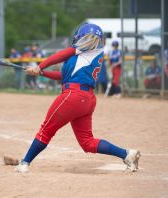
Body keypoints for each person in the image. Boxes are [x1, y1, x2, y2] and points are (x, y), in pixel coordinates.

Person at [15, 23, 140, 173]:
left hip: (73, 96)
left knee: (46, 130)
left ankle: (24, 163)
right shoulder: (88, 53)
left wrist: (40, 66)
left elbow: (60, 55)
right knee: (87, 143)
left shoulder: (85, 49)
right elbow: (64, 76)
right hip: (86, 99)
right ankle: (126, 154)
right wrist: (41, 73)